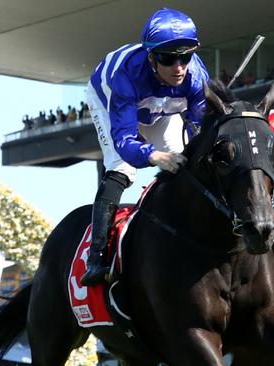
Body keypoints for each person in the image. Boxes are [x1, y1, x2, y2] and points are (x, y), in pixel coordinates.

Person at [81, 8, 209, 286]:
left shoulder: (196, 77)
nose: (179, 67)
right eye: (168, 58)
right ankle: (96, 257)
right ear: (152, 56)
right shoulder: (125, 77)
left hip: (160, 106)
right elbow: (125, 140)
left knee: (183, 162)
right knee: (121, 168)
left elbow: (197, 131)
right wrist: (153, 155)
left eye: (185, 56)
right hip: (111, 100)